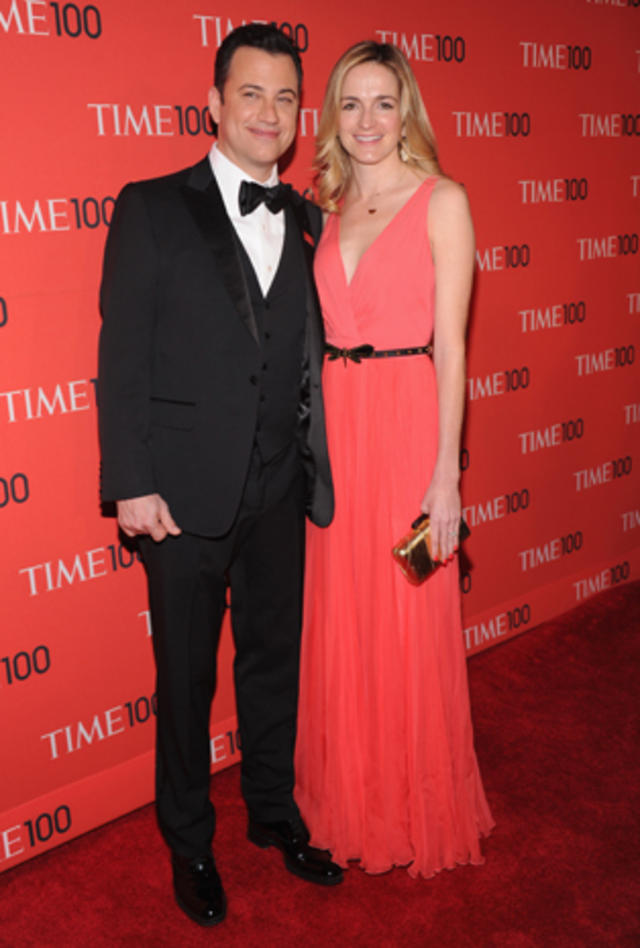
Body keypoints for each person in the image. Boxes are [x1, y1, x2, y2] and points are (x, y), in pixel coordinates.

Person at [97, 23, 343, 928]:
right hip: (182, 497)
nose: (269, 113)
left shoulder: (313, 218)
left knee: (274, 664)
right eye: (252, 93)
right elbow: (121, 357)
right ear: (215, 103)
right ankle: (189, 838)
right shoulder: (153, 205)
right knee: (187, 679)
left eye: (285, 97)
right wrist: (130, 480)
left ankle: (271, 814)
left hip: (280, 487)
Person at [294, 41, 494, 878]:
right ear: (331, 117)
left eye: (384, 103)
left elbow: (452, 347)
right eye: (351, 104)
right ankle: (348, 798)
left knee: (409, 625)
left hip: (410, 420)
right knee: (342, 617)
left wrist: (445, 474)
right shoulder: (325, 207)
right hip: (337, 433)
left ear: (406, 110)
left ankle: (412, 802)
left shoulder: (442, 200)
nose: (368, 121)